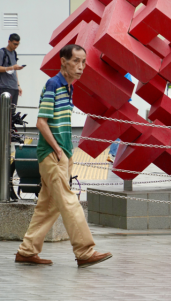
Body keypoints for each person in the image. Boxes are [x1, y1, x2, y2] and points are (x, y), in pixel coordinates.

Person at [15, 44, 112, 268]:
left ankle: (27, 251)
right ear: (63, 61)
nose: (81, 67)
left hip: (62, 155)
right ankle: (85, 251)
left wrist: (67, 154)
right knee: (69, 202)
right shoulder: (54, 84)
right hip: (52, 155)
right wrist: (58, 150)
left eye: (84, 62)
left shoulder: (68, 88)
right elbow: (41, 122)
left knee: (47, 207)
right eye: (76, 61)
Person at [0, 34, 24, 126]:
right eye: (14, 44)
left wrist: (18, 85)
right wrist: (11, 67)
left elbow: (14, 71)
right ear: (9, 42)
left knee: (12, 112)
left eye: (18, 44)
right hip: (6, 86)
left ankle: (9, 133)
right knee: (4, 111)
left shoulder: (14, 53)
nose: (16, 46)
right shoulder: (2, 52)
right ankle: (0, 133)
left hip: (14, 86)